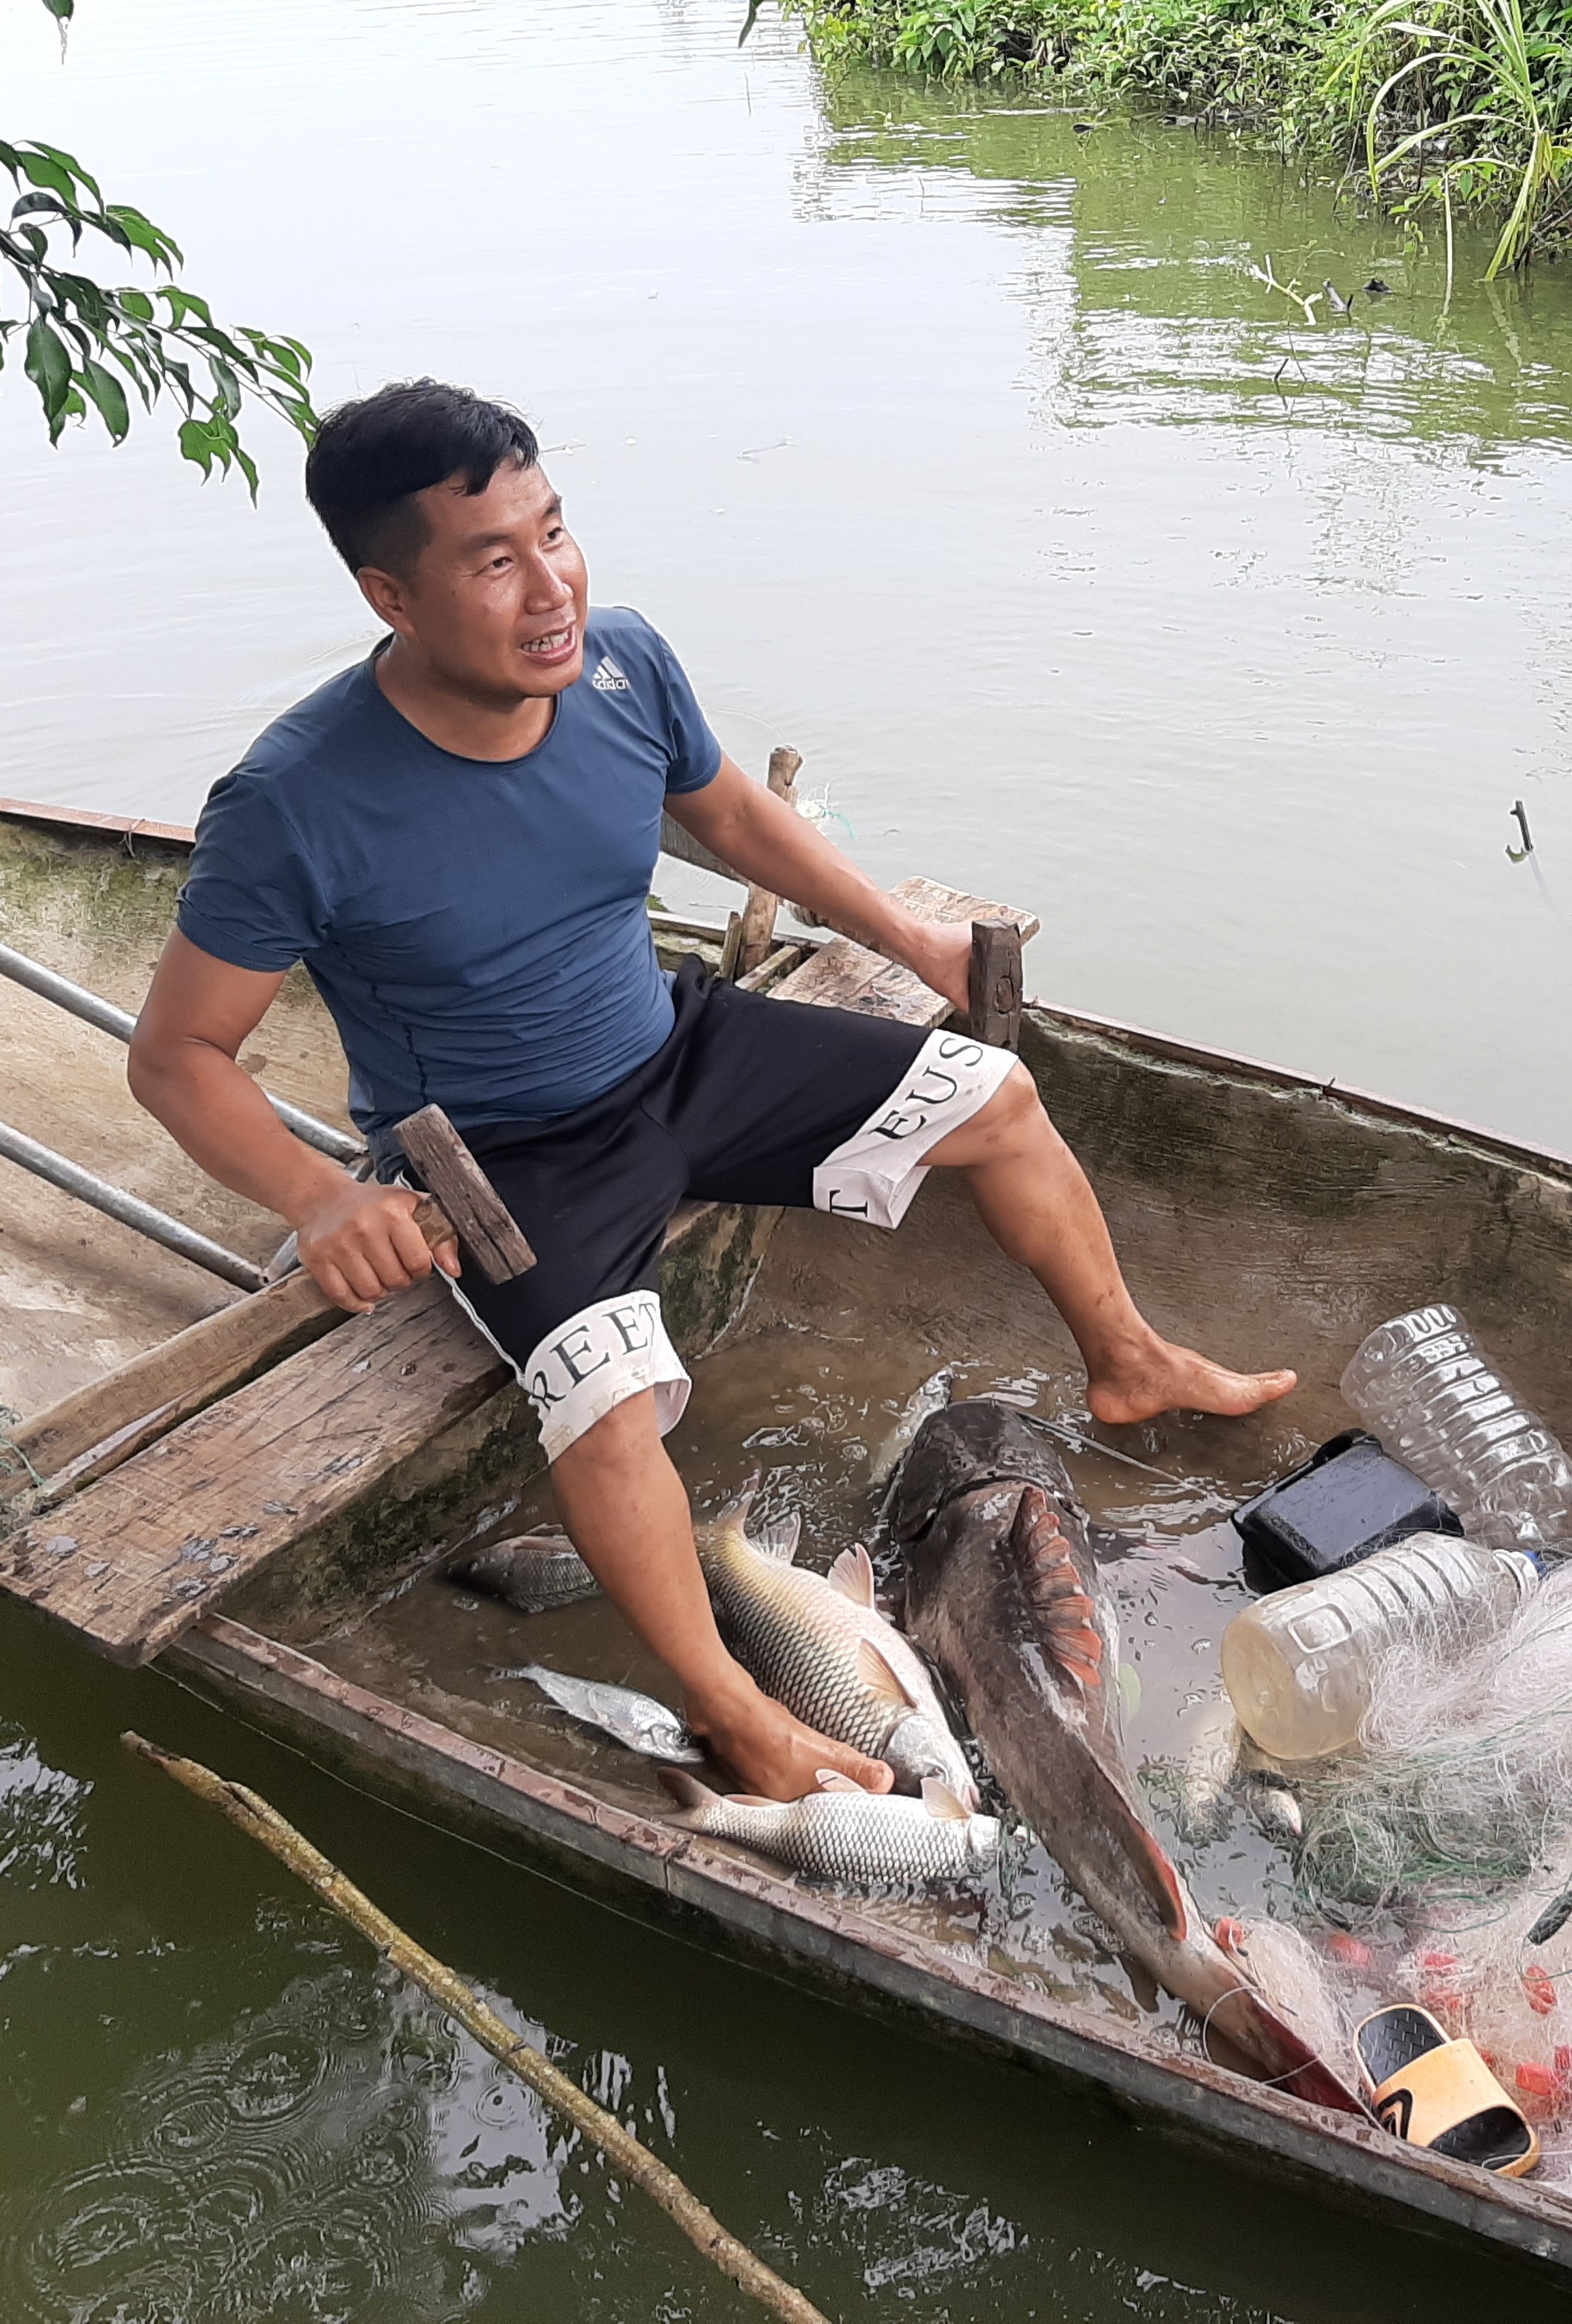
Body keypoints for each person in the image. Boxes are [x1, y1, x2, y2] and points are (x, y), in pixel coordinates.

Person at [128, 379, 1293, 1801]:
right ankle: (735, 1710)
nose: (551, 586)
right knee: (604, 1401)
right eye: (493, 562)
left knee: (993, 1101)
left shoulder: (619, 669)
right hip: (501, 1154)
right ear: (392, 595)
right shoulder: (296, 802)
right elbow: (177, 1054)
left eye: (554, 532)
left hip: (681, 1049)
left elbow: (733, 814)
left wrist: (901, 934)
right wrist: (319, 1196)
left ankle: (1127, 1358)